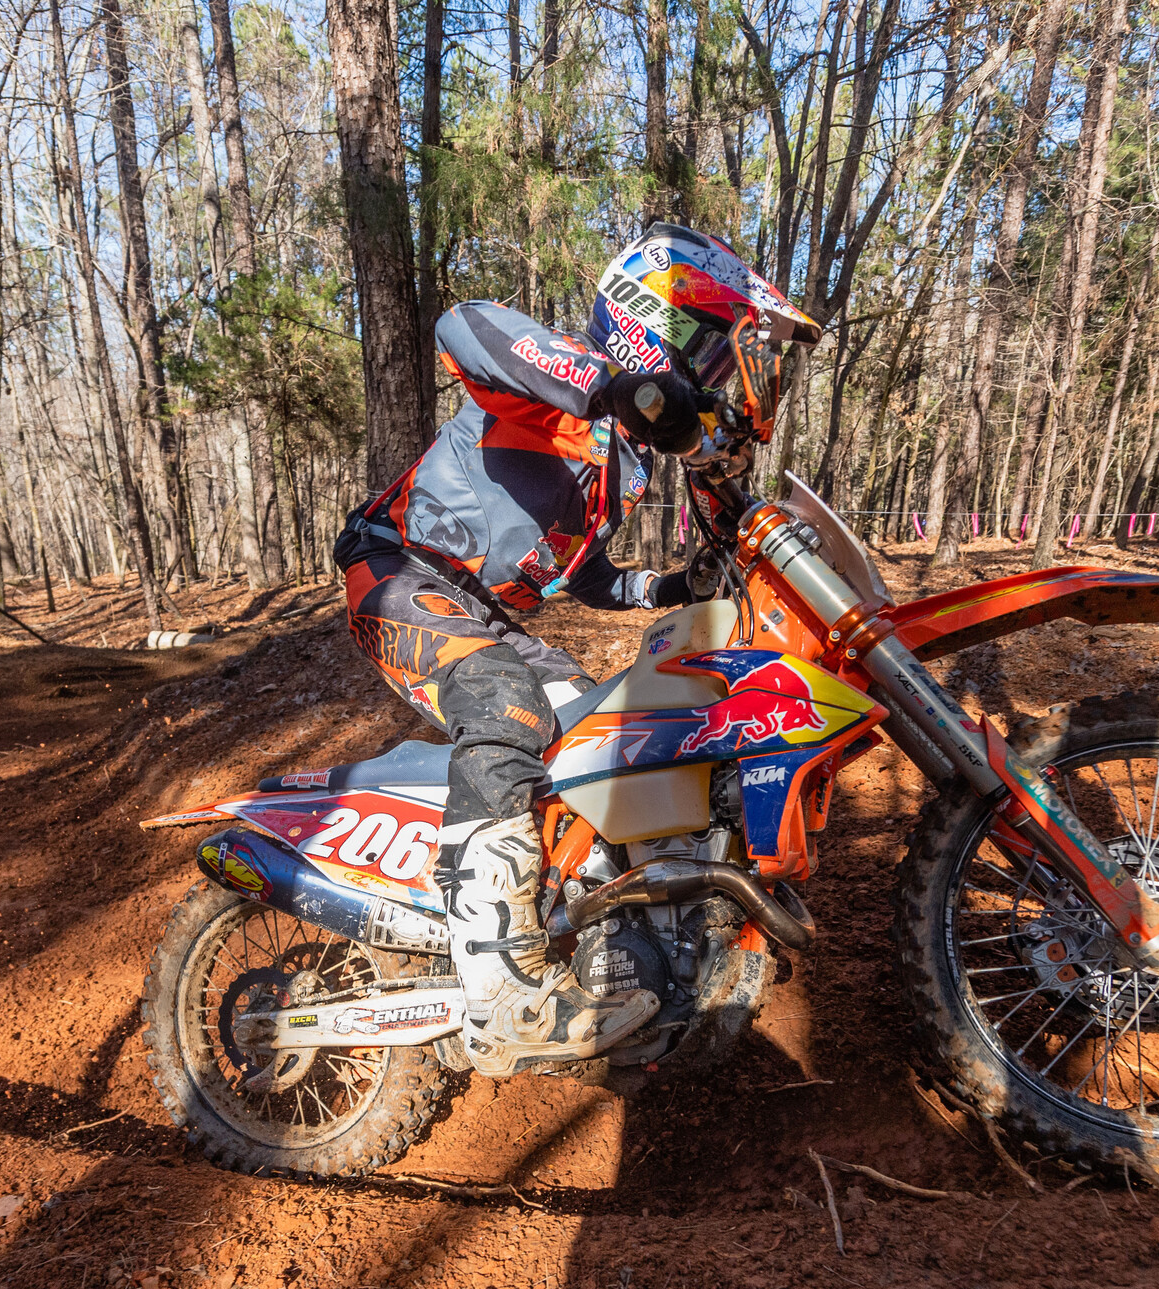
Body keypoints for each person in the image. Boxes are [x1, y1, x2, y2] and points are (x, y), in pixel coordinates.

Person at [335, 224, 819, 1077]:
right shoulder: (563, 392)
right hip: (397, 572)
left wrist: (675, 587)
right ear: (655, 328)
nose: (718, 385)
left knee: (599, 733)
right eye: (710, 360)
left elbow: (585, 580)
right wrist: (610, 383)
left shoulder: (618, 466)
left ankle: (595, 935)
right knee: (504, 698)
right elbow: (463, 324)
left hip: (486, 611)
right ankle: (499, 996)